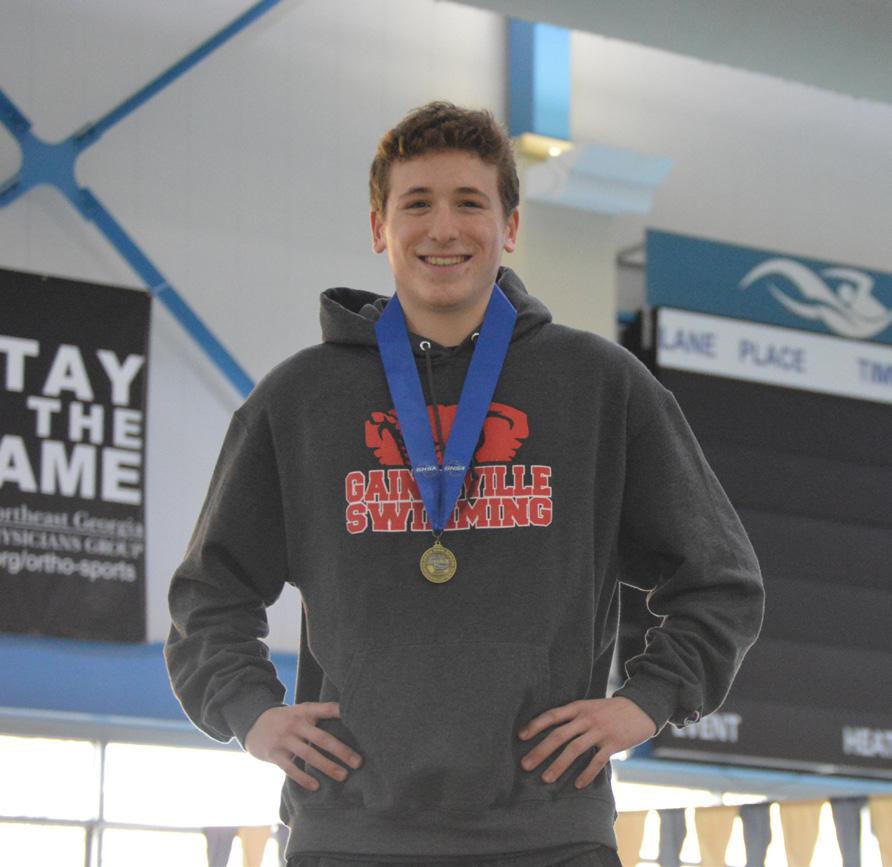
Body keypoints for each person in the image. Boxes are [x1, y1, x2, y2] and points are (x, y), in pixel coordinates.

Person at [165, 101, 764, 867]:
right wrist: (249, 710)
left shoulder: (599, 386)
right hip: (352, 836)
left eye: (469, 203)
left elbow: (721, 580)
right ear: (379, 227)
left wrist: (645, 702)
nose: (443, 228)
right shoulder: (300, 399)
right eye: (417, 203)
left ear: (509, 226)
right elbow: (208, 592)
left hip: (549, 838)